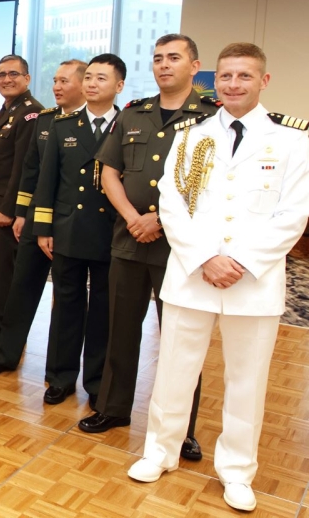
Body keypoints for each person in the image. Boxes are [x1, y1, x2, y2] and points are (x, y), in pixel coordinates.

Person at [127, 43, 309, 512]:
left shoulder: (292, 139)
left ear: (263, 81)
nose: (233, 85)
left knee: (247, 380)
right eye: (225, 76)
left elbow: (293, 215)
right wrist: (206, 256)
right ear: (214, 81)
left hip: (253, 281)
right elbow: (171, 202)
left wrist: (241, 261)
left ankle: (237, 471)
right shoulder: (191, 135)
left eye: (244, 77)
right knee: (173, 371)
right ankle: (160, 451)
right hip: (192, 274)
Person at [79, 34, 215, 462]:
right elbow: (109, 173)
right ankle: (113, 408)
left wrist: (161, 218)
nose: (164, 65)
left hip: (182, 248)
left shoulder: (212, 117)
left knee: (181, 340)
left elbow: (213, 184)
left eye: (174, 58)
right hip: (129, 241)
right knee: (119, 329)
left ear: (194, 65)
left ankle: (182, 430)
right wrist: (133, 218)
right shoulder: (135, 115)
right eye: (158, 58)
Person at [0, 60, 87, 371]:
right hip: (33, 217)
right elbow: (30, 170)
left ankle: (58, 370)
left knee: (65, 297)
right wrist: (22, 212)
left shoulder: (89, 124)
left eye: (64, 81)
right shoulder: (45, 119)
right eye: (55, 80)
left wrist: (15, 210)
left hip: (68, 221)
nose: (57, 86)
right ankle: (6, 351)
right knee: (19, 288)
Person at [32, 53, 124, 406]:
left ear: (118, 86)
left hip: (110, 231)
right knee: (66, 305)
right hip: (68, 228)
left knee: (104, 309)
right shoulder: (63, 126)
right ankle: (60, 376)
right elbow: (48, 180)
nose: (92, 84)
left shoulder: (128, 126)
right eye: (89, 78)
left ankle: (98, 381)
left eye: (101, 79)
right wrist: (43, 226)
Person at [0, 55, 44, 358]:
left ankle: (5, 336)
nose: (6, 79)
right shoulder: (9, 109)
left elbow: (22, 168)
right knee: (0, 272)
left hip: (7, 209)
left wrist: (9, 208)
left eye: (13, 74)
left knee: (7, 275)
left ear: (27, 78)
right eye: (1, 74)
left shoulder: (30, 113)